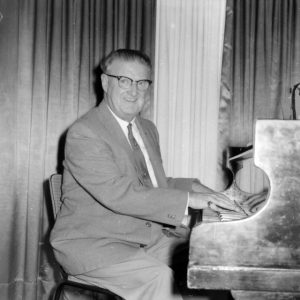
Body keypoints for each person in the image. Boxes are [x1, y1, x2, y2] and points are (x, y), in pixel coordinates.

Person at [50, 49, 241, 300]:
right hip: (95, 243)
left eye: (142, 83)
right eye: (124, 81)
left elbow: (151, 183)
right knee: (160, 277)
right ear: (106, 82)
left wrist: (197, 188)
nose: (134, 90)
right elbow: (118, 192)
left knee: (208, 257)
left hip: (142, 236)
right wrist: (187, 200)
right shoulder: (85, 133)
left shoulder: (147, 129)